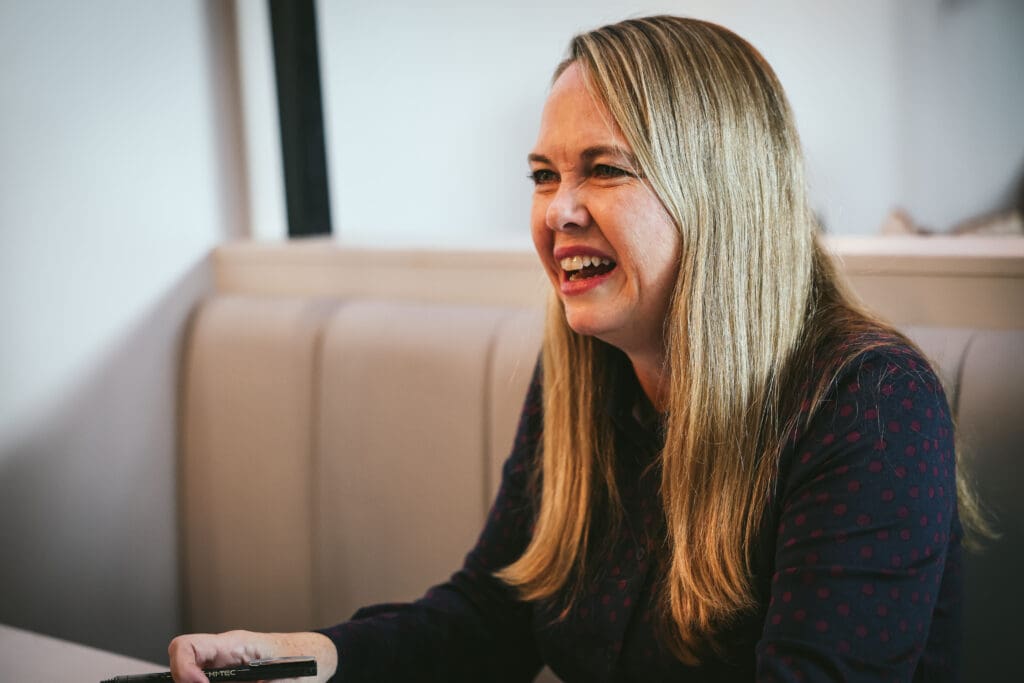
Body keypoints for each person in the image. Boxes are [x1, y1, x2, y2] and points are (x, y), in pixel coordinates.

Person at [169, 16, 982, 682]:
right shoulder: (586, 369)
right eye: (542, 175)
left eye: (602, 170)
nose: (557, 210)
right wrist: (306, 657)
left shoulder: (871, 403)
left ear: (720, 195)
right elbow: (495, 614)